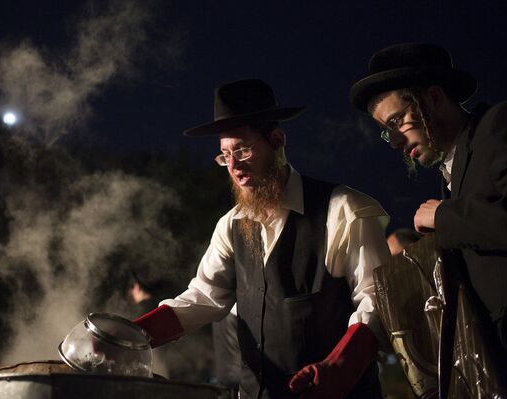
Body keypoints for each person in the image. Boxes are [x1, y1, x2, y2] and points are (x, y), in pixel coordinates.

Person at [131, 79, 391, 398]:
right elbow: (204, 298)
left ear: (277, 141)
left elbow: (378, 301)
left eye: (243, 150)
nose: (235, 167)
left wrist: (339, 367)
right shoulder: (231, 225)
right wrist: (133, 335)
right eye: (225, 156)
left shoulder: (344, 209)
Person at [349, 42, 507, 375]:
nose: (394, 142)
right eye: (385, 131)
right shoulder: (451, 170)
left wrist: (443, 217)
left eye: (396, 122)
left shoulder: (496, 127)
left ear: (433, 98)